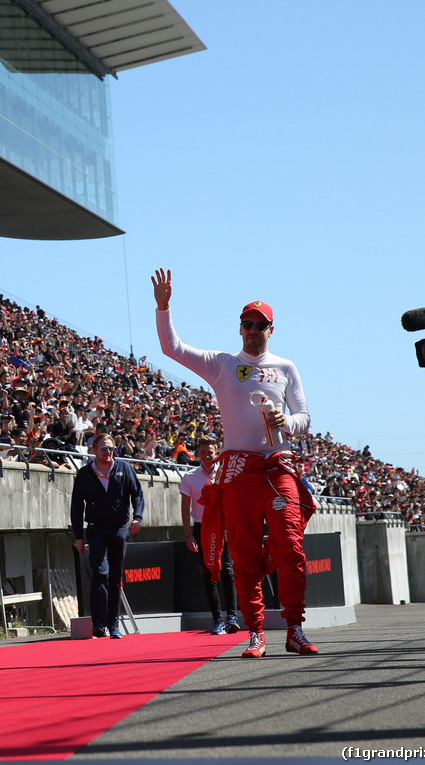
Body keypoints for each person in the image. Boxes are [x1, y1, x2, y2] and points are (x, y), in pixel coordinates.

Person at [152, 268, 316, 658]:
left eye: (260, 325)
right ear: (239, 328)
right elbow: (171, 348)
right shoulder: (222, 364)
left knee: (291, 549)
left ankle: (295, 629)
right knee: (242, 554)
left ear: (271, 330)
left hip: (278, 466)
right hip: (239, 469)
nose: (253, 329)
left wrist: (285, 421)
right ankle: (255, 633)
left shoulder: (286, 368)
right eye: (247, 323)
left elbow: (305, 419)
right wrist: (163, 308)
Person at [70, 432, 144, 639]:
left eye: (112, 449)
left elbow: (137, 493)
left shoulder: (124, 468)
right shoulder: (85, 474)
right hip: (96, 529)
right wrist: (78, 536)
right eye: (104, 448)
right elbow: (76, 506)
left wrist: (137, 517)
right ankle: (99, 624)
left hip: (120, 528)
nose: (109, 452)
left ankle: (114, 625)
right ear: (94, 450)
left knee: (115, 577)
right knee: (100, 573)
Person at [179, 437, 239, 635]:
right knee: (209, 574)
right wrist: (189, 536)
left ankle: (232, 617)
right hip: (201, 529)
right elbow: (185, 508)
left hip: (223, 528)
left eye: (210, 452)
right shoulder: (189, 477)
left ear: (217, 454)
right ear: (198, 454)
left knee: (227, 571)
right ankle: (217, 620)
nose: (207, 456)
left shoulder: (225, 474)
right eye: (203, 452)